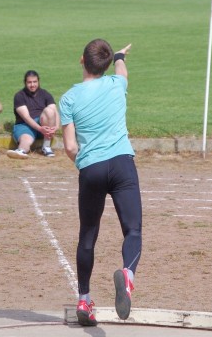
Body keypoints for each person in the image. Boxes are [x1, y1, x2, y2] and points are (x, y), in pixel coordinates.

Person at [59, 39, 142, 326]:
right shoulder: (117, 85)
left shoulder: (69, 98)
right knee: (132, 230)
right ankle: (127, 278)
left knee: (88, 236)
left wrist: (83, 165)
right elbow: (122, 70)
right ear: (107, 65)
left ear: (82, 59)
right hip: (122, 164)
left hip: (91, 168)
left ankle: (84, 300)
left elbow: (70, 147)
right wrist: (120, 55)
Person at [6, 70, 60, 159]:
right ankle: (21, 151)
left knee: (49, 111)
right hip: (25, 125)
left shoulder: (45, 94)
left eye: (35, 82)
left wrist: (57, 126)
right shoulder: (19, 96)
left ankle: (46, 146)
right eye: (29, 82)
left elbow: (55, 111)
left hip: (42, 123)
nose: (32, 85)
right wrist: (39, 128)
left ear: (38, 81)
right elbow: (26, 117)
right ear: (25, 83)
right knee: (26, 142)